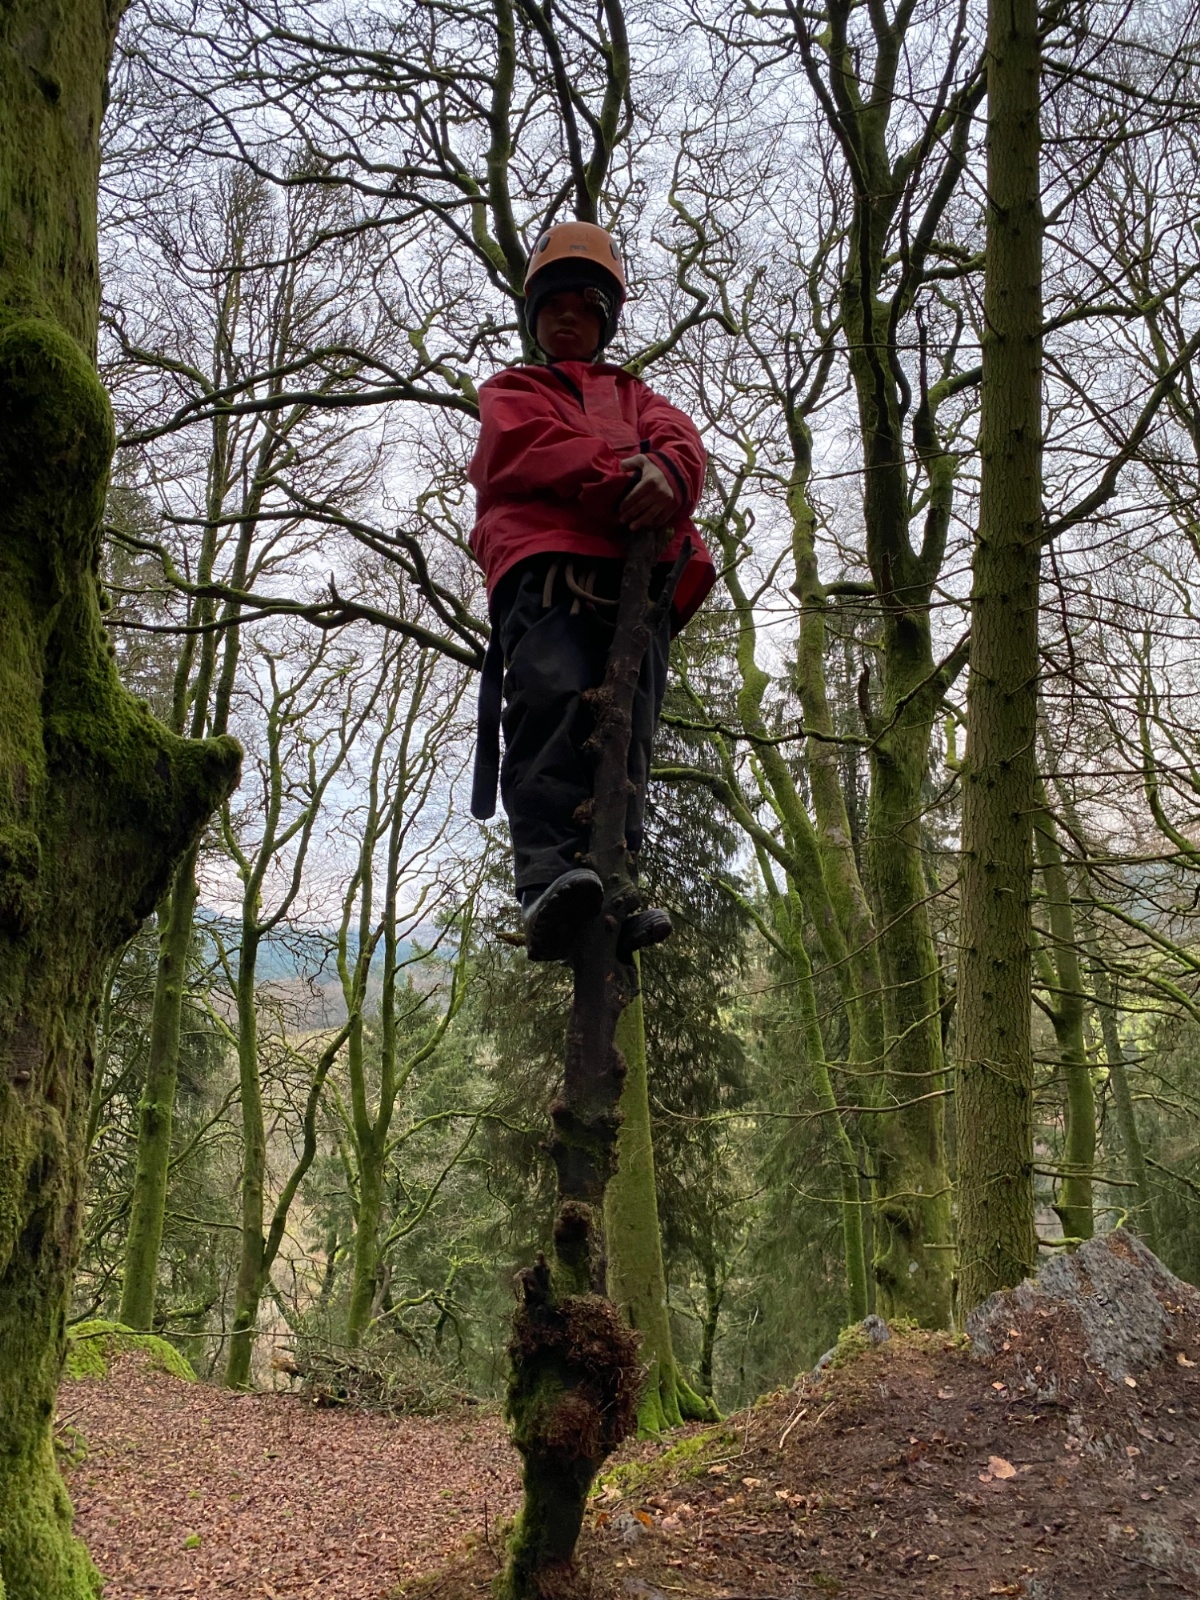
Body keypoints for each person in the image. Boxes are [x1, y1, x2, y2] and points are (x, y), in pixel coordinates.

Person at [468, 221, 715, 961]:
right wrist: (626, 483)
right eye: (552, 305)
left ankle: (613, 885)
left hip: (638, 589)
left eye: (584, 305)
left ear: (606, 319)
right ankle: (548, 879)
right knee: (550, 701)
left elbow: (682, 443)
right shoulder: (514, 391)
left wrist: (670, 474)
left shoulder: (639, 398)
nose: (567, 316)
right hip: (548, 572)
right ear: (533, 318)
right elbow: (528, 448)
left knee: (626, 732)